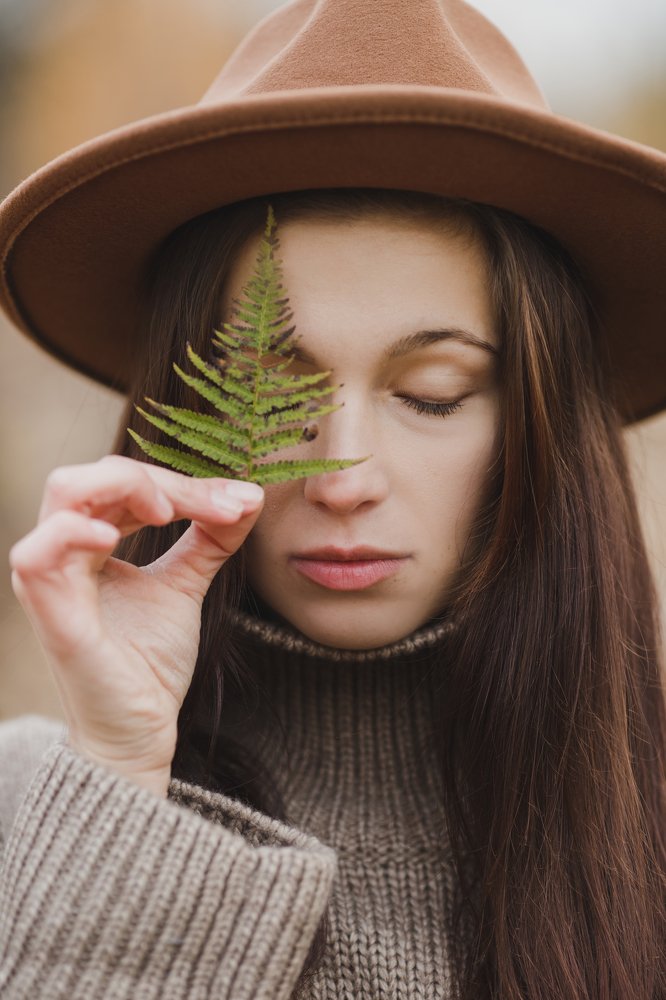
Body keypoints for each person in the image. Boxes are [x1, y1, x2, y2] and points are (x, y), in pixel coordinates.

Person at [0, 1, 664, 998]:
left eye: (431, 393)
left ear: (542, 424)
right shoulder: (30, 806)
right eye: (279, 393)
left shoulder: (640, 848)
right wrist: (121, 774)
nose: (344, 476)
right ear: (186, 403)